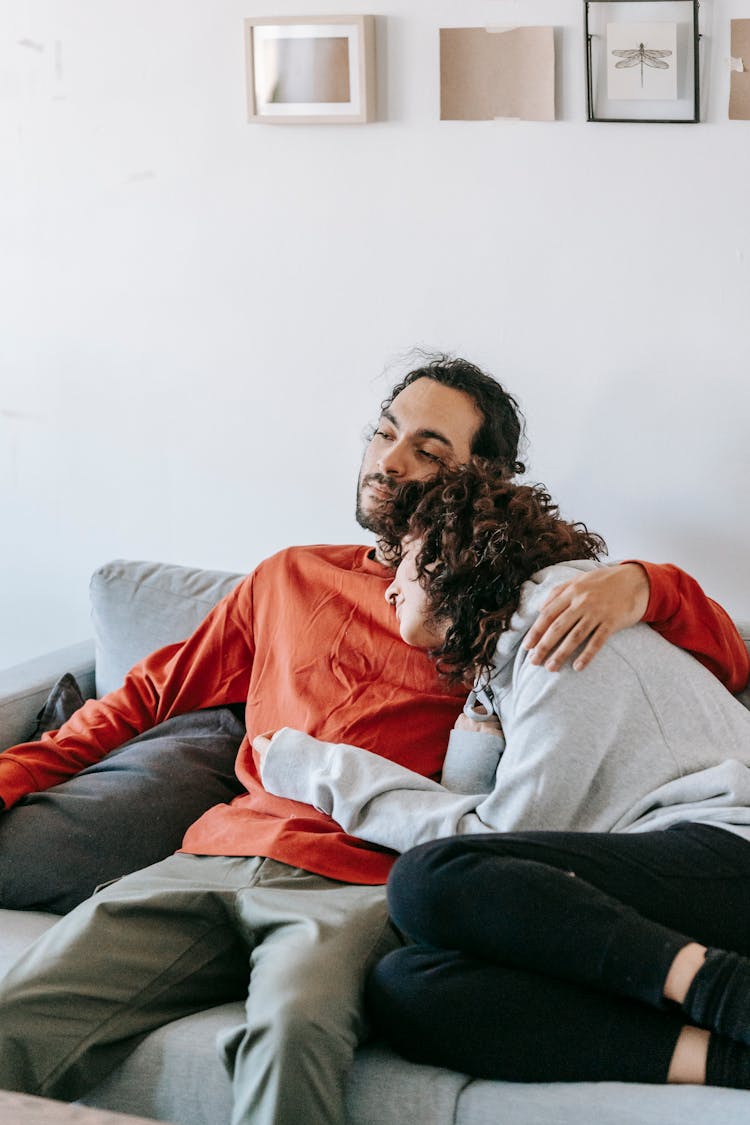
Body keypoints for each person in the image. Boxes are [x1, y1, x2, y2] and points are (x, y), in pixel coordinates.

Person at [0, 357, 742, 1125]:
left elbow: (724, 661)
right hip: (211, 858)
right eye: (384, 433)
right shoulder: (286, 577)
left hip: (361, 884)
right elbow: (139, 700)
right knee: (17, 1015)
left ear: (479, 480)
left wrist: (647, 584)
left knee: (292, 1033)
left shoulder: (491, 607)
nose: (390, 459)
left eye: (428, 448)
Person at [255, 459, 750, 1092]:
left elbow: (491, 845)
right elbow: (487, 831)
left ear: (448, 554)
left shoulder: (562, 626)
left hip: (728, 851)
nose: (388, 587)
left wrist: (319, 768)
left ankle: (728, 994)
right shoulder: (510, 664)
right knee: (409, 987)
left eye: (403, 560)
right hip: (664, 881)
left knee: (429, 879)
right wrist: (480, 704)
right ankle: (733, 1061)